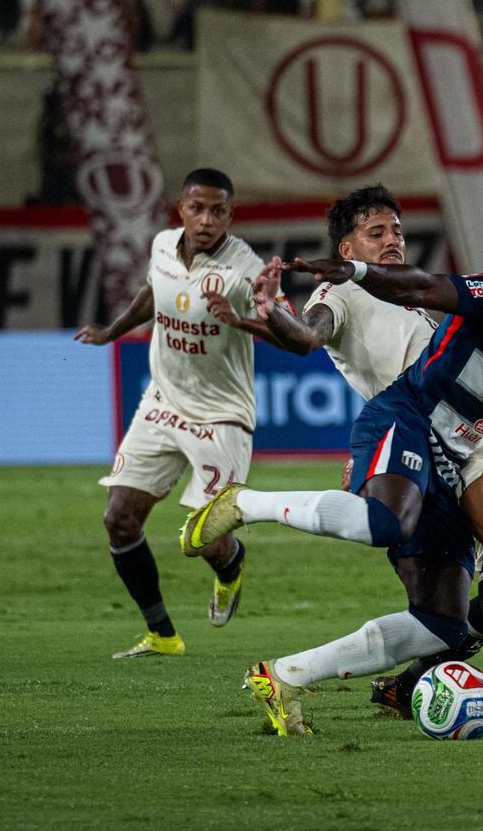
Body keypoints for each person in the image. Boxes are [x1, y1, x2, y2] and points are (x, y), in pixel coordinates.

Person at [182, 225, 483, 734]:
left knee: (441, 622)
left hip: (458, 453)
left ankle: (285, 675)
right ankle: (245, 503)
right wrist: (359, 273)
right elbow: (421, 286)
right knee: (388, 522)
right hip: (408, 417)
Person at [75, 168, 288, 659]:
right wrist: (113, 330)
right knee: (120, 520)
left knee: (205, 542)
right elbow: (155, 292)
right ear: (182, 208)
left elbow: (291, 337)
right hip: (163, 404)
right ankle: (162, 635)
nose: (207, 219)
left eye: (218, 210)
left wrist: (244, 319)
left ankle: (231, 566)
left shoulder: (245, 271)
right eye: (198, 208)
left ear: (230, 215)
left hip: (221, 417)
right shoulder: (162, 246)